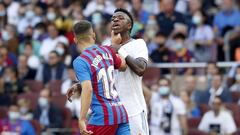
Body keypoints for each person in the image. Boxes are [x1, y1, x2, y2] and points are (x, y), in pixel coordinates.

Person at [68, 20, 130, 135]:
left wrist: (81, 119)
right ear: (94, 35)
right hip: (120, 113)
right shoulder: (107, 50)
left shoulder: (80, 61)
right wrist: (116, 47)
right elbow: (123, 66)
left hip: (103, 117)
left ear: (75, 40)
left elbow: (88, 88)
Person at [111, 8, 149, 135]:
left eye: (120, 18)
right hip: (113, 112)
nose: (115, 19)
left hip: (134, 110)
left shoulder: (138, 43)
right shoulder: (107, 47)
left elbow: (140, 69)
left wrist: (119, 50)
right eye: (113, 19)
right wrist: (80, 85)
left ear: (129, 25)